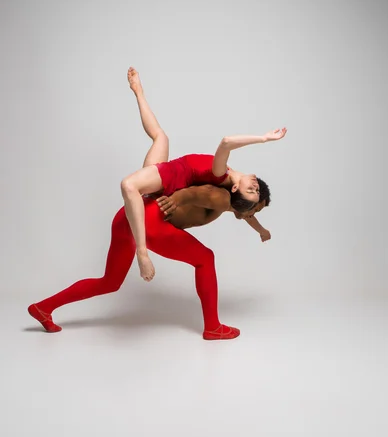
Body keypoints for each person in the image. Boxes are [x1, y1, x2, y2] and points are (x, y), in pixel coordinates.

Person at [27, 71, 274, 340]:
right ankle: (212, 326)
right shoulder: (225, 193)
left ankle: (43, 307)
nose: (255, 186)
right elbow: (212, 195)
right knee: (205, 258)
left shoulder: (225, 190)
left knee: (110, 281)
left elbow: (231, 203)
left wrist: (258, 227)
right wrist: (177, 203)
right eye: (256, 190)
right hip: (150, 219)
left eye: (254, 194)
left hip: (128, 217)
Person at [120, 67, 287, 282]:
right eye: (256, 188)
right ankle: (138, 91)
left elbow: (226, 142)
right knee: (161, 137)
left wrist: (264, 138)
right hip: (169, 169)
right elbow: (247, 212)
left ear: (236, 189)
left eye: (251, 190)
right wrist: (261, 230)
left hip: (169, 176)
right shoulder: (231, 183)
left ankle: (141, 253)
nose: (255, 186)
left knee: (128, 185)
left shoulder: (221, 174)